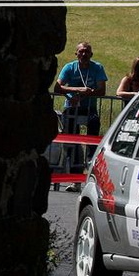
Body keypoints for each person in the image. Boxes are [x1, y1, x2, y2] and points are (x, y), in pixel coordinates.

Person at [54, 41, 108, 192]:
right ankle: (75, 180)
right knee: (72, 144)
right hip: (71, 109)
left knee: (93, 142)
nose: (84, 54)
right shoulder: (69, 67)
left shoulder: (97, 68)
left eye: (87, 52)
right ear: (76, 53)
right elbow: (57, 87)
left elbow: (102, 90)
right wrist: (76, 91)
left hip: (89, 109)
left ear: (91, 54)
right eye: (81, 51)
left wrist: (86, 94)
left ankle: (92, 174)